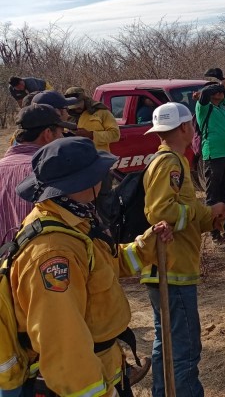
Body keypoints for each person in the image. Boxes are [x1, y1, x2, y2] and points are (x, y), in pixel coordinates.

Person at [11, 137, 173, 397]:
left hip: (104, 365)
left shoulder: (74, 219)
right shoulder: (54, 253)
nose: (105, 179)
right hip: (83, 383)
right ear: (82, 183)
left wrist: (147, 244)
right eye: (99, 173)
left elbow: (105, 264)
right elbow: (63, 342)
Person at [141, 102, 225, 397]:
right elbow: (162, 212)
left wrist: (210, 215)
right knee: (184, 347)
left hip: (167, 268)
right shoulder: (171, 163)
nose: (194, 129)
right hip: (173, 270)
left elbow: (180, 212)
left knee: (165, 343)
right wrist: (199, 212)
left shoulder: (168, 160)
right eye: (191, 124)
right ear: (183, 127)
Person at [0, 104, 76, 242]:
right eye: (60, 132)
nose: (62, 137)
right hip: (43, 259)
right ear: (47, 134)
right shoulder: (52, 172)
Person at [195, 79, 225, 250]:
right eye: (216, 91)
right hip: (214, 156)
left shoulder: (223, 105)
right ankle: (214, 235)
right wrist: (220, 86)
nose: (220, 93)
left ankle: (224, 227)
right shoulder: (204, 107)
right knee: (213, 197)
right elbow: (205, 94)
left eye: (221, 91)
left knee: (224, 194)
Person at [64, 87, 121, 152]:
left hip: (98, 157)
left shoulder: (101, 112)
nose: (76, 108)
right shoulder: (65, 115)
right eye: (73, 106)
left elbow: (115, 134)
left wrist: (92, 135)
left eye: (78, 105)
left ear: (85, 99)